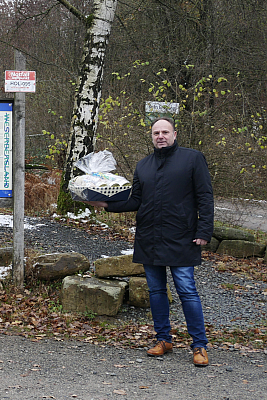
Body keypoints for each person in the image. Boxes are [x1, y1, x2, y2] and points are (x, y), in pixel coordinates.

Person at [83, 117, 213, 367]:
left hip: (182, 237)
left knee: (187, 291)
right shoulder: (143, 165)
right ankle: (163, 339)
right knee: (155, 291)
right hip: (149, 237)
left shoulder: (193, 158)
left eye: (165, 132)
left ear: (175, 134)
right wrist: (106, 204)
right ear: (151, 136)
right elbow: (135, 201)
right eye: (156, 132)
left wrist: (204, 231)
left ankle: (199, 345)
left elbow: (205, 197)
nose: (160, 136)